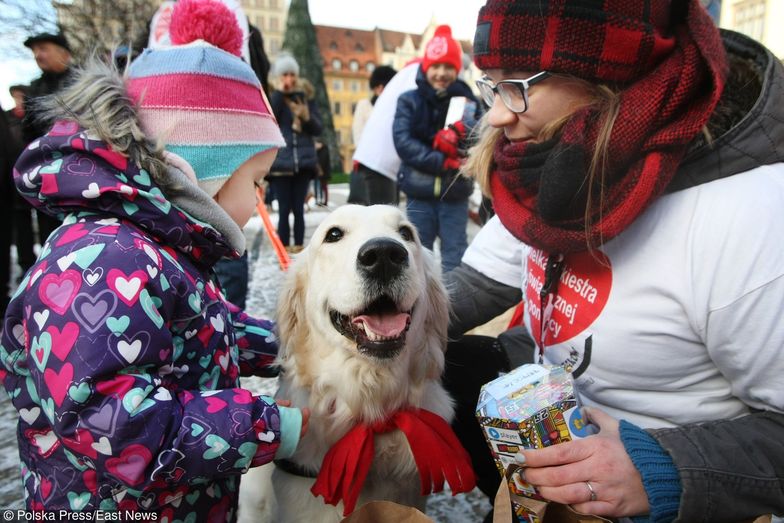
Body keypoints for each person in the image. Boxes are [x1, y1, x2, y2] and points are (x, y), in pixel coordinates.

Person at [444, 0, 784, 521]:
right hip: (553, 441)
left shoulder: (747, 216)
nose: (495, 113)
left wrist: (661, 468)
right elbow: (476, 285)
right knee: (441, 368)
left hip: (678, 493)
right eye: (489, 83)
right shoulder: (554, 169)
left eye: (518, 85)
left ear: (613, 79)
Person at [0, 0, 309, 518]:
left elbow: (207, 330)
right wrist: (278, 425)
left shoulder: (161, 249)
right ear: (200, 173)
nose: (259, 205)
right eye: (254, 183)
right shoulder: (101, 261)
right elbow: (117, 426)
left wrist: (299, 343)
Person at [393, 25, 482, 273]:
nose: (441, 73)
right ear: (426, 67)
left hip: (455, 193)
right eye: (436, 66)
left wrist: (460, 135)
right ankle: (420, 307)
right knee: (418, 256)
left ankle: (452, 308)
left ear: (457, 69)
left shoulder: (468, 101)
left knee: (455, 253)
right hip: (419, 193)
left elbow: (480, 140)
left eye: (448, 67)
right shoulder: (409, 100)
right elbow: (403, 142)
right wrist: (441, 161)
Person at [22, 32, 75, 248]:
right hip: (46, 177)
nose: (37, 55)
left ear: (64, 53)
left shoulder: (83, 82)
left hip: (79, 172)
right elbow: (28, 134)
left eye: (43, 48)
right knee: (49, 234)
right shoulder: (34, 90)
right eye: (34, 51)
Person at [268, 52, 323, 254]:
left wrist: (306, 117)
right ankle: (283, 249)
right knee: (284, 210)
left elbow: (318, 128)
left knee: (299, 209)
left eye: (292, 74)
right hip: (282, 163)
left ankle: (299, 248)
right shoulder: (275, 98)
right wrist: (278, 95)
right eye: (284, 75)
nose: (289, 79)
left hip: (304, 163)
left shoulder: (306, 98)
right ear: (279, 77)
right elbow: (269, 119)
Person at [349, 65, 397, 205]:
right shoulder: (365, 105)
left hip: (388, 166)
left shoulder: (393, 107)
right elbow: (357, 134)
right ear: (379, 88)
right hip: (368, 165)